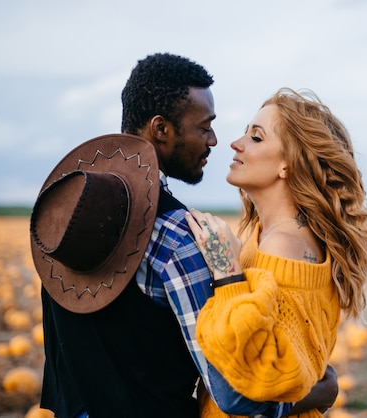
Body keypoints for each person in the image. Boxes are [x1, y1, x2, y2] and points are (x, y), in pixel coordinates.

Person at [31, 53, 336, 418]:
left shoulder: (65, 220)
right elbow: (238, 397)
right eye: (203, 127)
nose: (214, 140)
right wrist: (319, 392)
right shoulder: (178, 237)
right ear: (162, 130)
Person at [186, 88, 367, 418]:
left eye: (256, 138)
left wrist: (226, 271)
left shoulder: (284, 245)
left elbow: (260, 378)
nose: (236, 143)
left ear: (288, 164)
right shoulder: (274, 236)